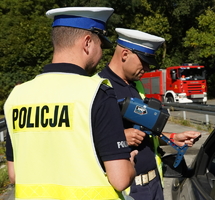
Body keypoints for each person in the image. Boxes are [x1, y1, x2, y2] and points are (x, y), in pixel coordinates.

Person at [4, 7, 137, 200]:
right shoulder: (97, 93)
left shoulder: (17, 96)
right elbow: (120, 179)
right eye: (101, 46)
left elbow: (14, 175)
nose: (101, 53)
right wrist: (130, 165)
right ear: (88, 43)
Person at [97, 28, 201, 200]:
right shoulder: (99, 88)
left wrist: (172, 137)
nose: (146, 68)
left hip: (154, 184)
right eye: (143, 62)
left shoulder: (136, 86)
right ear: (125, 54)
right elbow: (83, 139)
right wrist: (119, 137)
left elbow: (143, 134)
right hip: (128, 190)